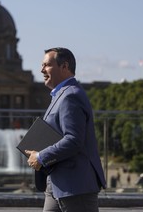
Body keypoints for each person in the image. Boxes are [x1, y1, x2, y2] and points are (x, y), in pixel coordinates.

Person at [25, 47, 106, 212]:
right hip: (56, 183)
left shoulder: (70, 96)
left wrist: (41, 157)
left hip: (75, 185)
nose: (42, 70)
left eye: (47, 65)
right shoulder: (60, 95)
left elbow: (73, 140)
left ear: (64, 67)